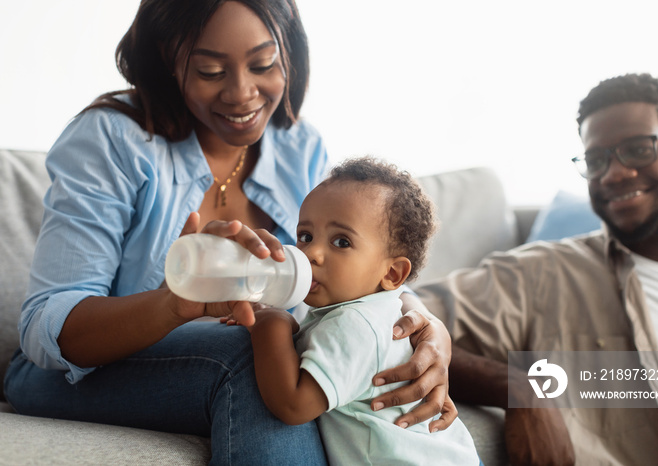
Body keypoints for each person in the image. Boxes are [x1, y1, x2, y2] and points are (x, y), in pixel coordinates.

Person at [2, 1, 455, 464]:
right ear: (167, 59)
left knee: (287, 350)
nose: (242, 93)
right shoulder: (112, 140)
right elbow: (45, 325)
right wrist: (170, 306)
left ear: (289, 55)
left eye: (263, 64)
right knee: (258, 349)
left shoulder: (298, 145)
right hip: (72, 371)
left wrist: (423, 328)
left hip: (211, 363)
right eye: (210, 70)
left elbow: (363, 270)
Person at [416, 73, 658, 466]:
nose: (614, 173)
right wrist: (520, 386)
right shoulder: (543, 273)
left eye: (637, 150)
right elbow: (400, 310)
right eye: (596, 160)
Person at [246, 157, 481, 465]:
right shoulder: (371, 312)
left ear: (393, 274)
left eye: (341, 242)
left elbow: (293, 406)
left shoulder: (355, 324)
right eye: (305, 236)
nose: (311, 253)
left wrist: (269, 322)